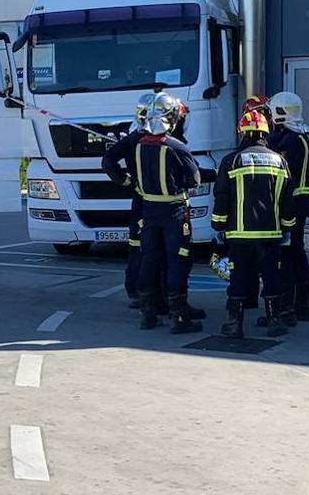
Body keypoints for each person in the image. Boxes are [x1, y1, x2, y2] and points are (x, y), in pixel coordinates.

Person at [213, 109, 297, 339]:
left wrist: (218, 226)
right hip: (270, 234)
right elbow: (287, 200)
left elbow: (221, 196)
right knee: (271, 276)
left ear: (243, 132)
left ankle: (234, 323)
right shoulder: (280, 161)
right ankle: (274, 321)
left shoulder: (231, 160)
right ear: (265, 132)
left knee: (239, 277)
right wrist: (287, 227)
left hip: (239, 235)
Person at [133, 96, 204, 334]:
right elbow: (195, 179)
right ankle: (180, 318)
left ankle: (147, 314)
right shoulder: (176, 146)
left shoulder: (140, 145)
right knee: (178, 261)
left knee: (149, 260)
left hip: (149, 211)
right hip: (174, 212)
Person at [102, 93, 156, 308]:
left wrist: (126, 181)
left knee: (137, 246)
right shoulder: (154, 141)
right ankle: (149, 293)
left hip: (140, 200)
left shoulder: (133, 138)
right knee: (154, 249)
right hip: (157, 203)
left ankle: (136, 290)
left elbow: (108, 161)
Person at [268, 90, 309, 324]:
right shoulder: (301, 137)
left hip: (292, 206)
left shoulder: (290, 142)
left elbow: (283, 173)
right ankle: (302, 304)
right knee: (297, 253)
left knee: (287, 255)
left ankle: (287, 308)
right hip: (301, 204)